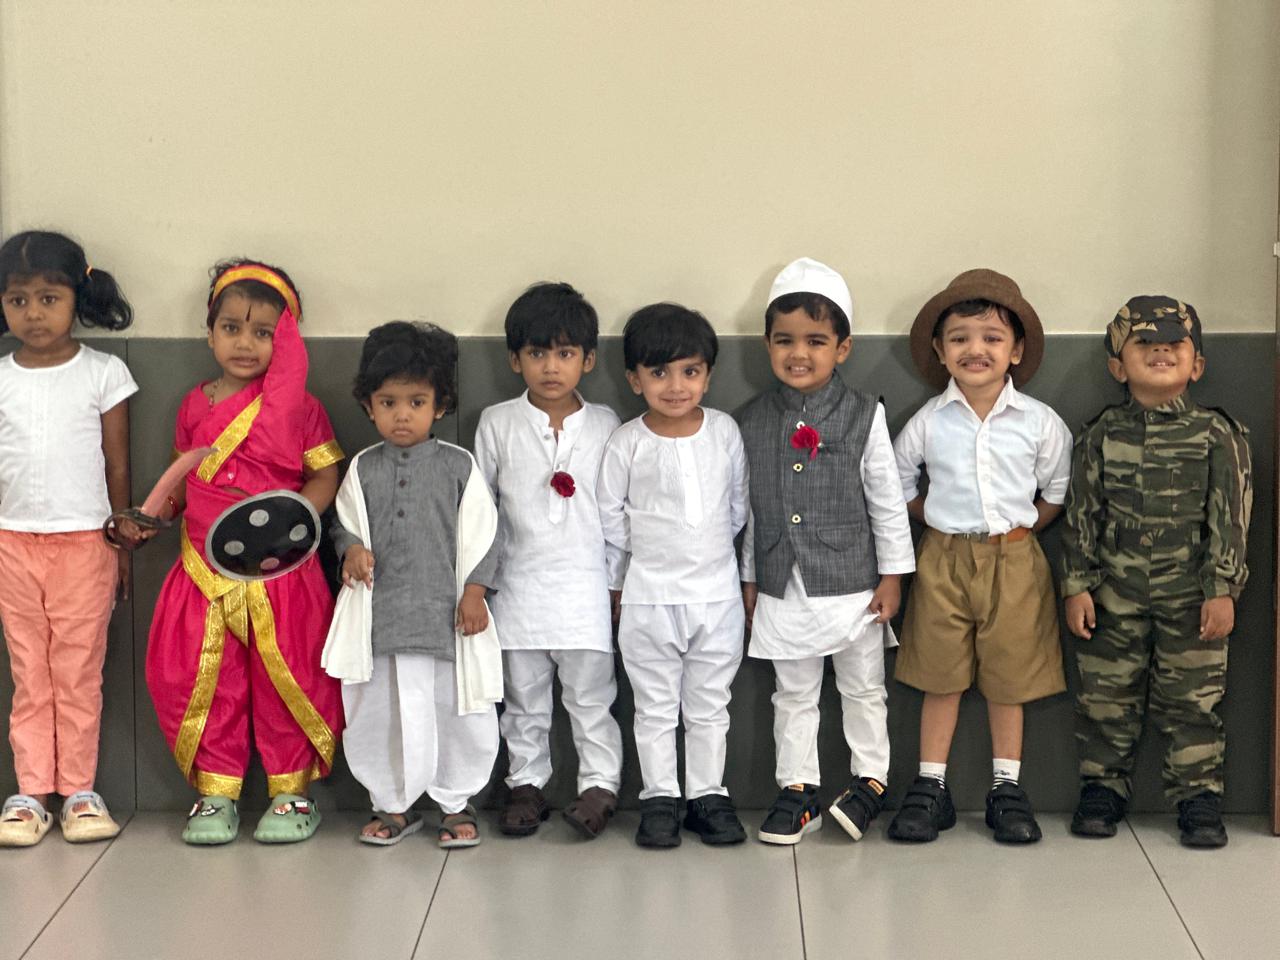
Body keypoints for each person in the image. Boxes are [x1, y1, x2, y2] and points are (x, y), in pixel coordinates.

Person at [144, 260, 344, 845]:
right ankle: (216, 793)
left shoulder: (300, 408)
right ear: (209, 333)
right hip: (202, 571)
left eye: (263, 332)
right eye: (231, 328)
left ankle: (289, 793)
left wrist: (293, 527)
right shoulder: (192, 404)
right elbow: (184, 479)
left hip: (280, 574)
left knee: (287, 679)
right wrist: (152, 515)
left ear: (285, 339)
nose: (245, 343)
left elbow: (325, 472)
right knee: (208, 681)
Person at [1060, 297, 1250, 848]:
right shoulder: (1099, 434)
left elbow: (1231, 520)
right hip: (1113, 593)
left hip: (1192, 595)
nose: (1160, 350)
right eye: (1143, 343)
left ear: (1197, 365)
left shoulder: (1218, 435)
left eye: (1175, 343)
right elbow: (1081, 516)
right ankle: (1102, 789)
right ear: (1118, 366)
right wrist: (1076, 585)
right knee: (1106, 697)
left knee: (1193, 701)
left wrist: (1223, 589)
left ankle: (1198, 797)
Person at [890, 269, 1071, 844]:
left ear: (1016, 350)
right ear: (941, 352)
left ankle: (1006, 787)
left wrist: (1017, 533)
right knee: (939, 673)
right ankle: (930, 786)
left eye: (992, 338)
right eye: (961, 337)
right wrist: (938, 524)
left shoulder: (1039, 422)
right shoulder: (928, 421)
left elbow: (1056, 492)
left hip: (1016, 560)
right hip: (943, 559)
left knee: (1008, 676)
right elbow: (895, 484)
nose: (976, 349)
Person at [737, 258, 914, 845]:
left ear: (842, 348)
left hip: (854, 582)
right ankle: (798, 787)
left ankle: (872, 779)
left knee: (863, 685)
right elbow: (747, 510)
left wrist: (893, 577)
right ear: (767, 345)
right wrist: (750, 579)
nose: (799, 353)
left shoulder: (866, 414)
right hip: (781, 582)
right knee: (793, 692)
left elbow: (887, 503)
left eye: (816, 341)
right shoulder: (751, 421)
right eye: (784, 340)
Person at [323, 321, 502, 849]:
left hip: (446, 620)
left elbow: (488, 533)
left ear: (440, 405)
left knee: (455, 712)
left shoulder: (458, 466)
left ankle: (456, 801)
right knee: (379, 713)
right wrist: (350, 549)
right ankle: (392, 804)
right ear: (368, 405)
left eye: (416, 401)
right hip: (382, 622)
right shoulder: (362, 468)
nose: (402, 414)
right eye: (388, 402)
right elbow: (344, 522)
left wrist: (475, 593)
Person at [0, 230, 136, 846]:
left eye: (49, 298)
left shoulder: (104, 372)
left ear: (76, 298)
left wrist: (122, 539)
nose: (33, 313)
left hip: (87, 543)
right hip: (11, 543)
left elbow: (117, 467)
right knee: (31, 672)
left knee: (78, 670)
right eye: (19, 300)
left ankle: (80, 791)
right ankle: (30, 795)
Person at [474, 283, 625, 839]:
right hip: (517, 589)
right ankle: (526, 785)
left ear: (588, 359)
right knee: (524, 701)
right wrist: (482, 586)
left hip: (586, 589)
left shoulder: (608, 425)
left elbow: (617, 513)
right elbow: (483, 509)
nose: (551, 368)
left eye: (565, 354)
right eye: (537, 354)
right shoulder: (496, 422)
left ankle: (599, 787)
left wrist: (616, 584)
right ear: (515, 360)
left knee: (592, 699)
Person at [597, 303, 749, 848]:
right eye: (659, 373)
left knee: (711, 703)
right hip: (647, 598)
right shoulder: (627, 441)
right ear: (635, 379)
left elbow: (737, 508)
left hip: (716, 596)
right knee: (655, 704)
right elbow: (610, 516)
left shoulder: (725, 432)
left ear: (708, 374)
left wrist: (706, 556)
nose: (676, 386)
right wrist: (640, 565)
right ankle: (659, 798)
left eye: (689, 371)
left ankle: (709, 796)